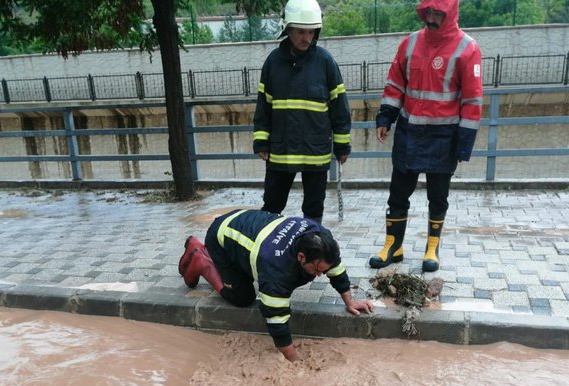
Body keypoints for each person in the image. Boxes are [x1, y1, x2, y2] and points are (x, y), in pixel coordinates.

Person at [369, 0, 483, 272]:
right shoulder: (409, 44)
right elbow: (395, 84)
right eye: (428, 11)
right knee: (397, 194)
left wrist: (464, 143)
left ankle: (432, 248)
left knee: (438, 196)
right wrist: (386, 117)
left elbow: (472, 99)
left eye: (438, 13)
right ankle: (393, 246)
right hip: (409, 132)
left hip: (444, 136)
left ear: (450, 12)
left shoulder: (467, 48)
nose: (431, 18)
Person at [178, 210, 374, 362]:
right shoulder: (276, 269)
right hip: (221, 235)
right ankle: (201, 260)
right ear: (300, 257)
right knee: (243, 296)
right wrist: (294, 360)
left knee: (256, 270)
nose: (320, 275)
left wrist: (350, 301)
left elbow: (335, 268)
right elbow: (276, 319)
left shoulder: (321, 238)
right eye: (316, 270)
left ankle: (229, 263)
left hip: (248, 223)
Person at [253, 0, 351, 225]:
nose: (306, 37)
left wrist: (343, 146)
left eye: (311, 31)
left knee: (314, 208)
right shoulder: (273, 63)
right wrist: (261, 141)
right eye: (300, 32)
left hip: (315, 152)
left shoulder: (325, 62)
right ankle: (266, 247)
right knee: (272, 205)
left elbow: (340, 108)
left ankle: (313, 247)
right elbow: (264, 106)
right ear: (287, 29)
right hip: (281, 150)